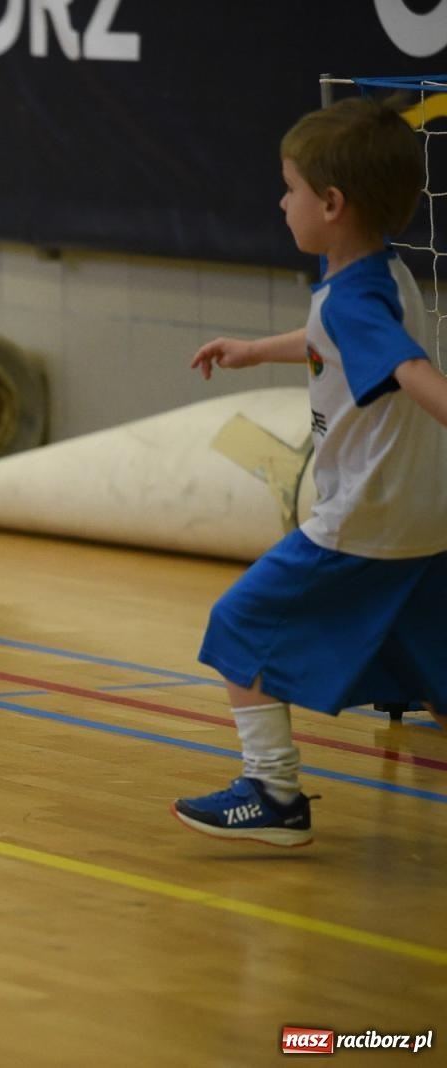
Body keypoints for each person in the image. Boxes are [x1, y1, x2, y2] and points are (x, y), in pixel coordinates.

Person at [174, 95, 447, 847]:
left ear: (331, 203)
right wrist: (259, 350)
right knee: (438, 672)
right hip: (423, 516)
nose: (282, 201)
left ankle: (272, 791)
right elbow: (340, 339)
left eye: (291, 188)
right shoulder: (380, 278)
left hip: (363, 519)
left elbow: (412, 372)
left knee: (239, 624)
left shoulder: (357, 305)